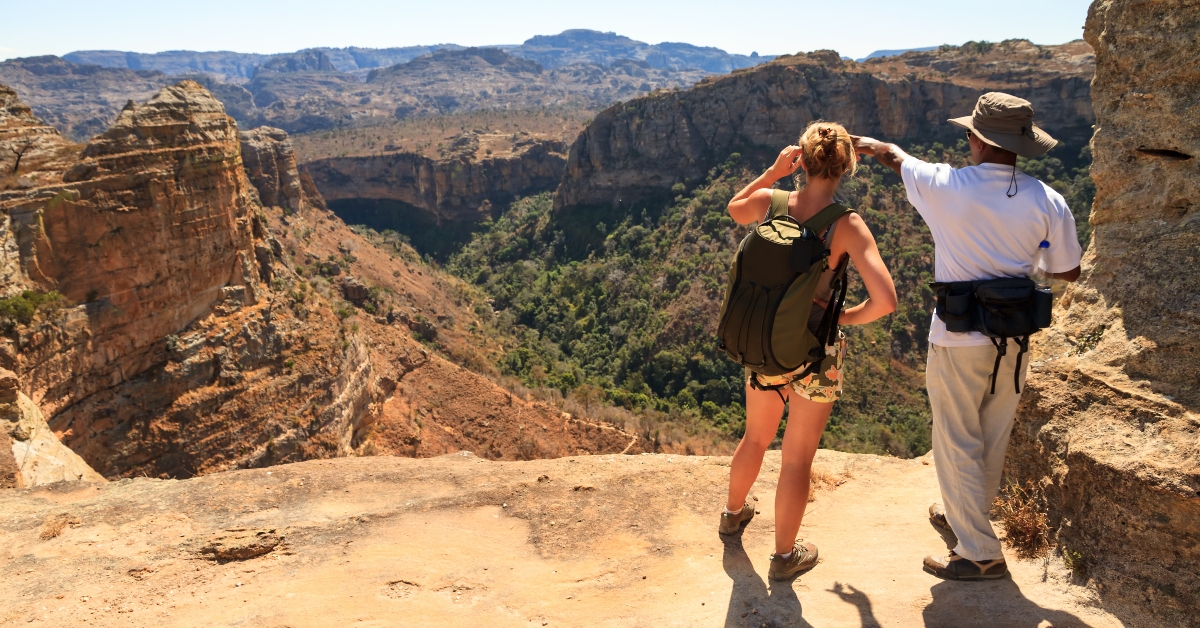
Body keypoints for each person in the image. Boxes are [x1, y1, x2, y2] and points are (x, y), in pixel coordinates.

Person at [853, 92, 1083, 581]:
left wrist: (871, 146)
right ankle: (966, 516)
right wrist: (1028, 259)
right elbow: (1069, 271)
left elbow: (897, 159)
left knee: (956, 439)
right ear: (1019, 144)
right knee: (991, 434)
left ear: (977, 139)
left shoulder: (945, 186)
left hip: (958, 339)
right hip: (1015, 340)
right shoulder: (1049, 198)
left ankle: (979, 552)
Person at [720, 121, 898, 580]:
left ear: (802, 159)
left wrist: (772, 173)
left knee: (755, 438)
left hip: (766, 342)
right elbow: (885, 302)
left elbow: (734, 208)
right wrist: (842, 318)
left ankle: (732, 515)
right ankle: (783, 558)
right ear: (847, 166)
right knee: (797, 458)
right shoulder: (847, 225)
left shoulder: (770, 204)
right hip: (817, 352)